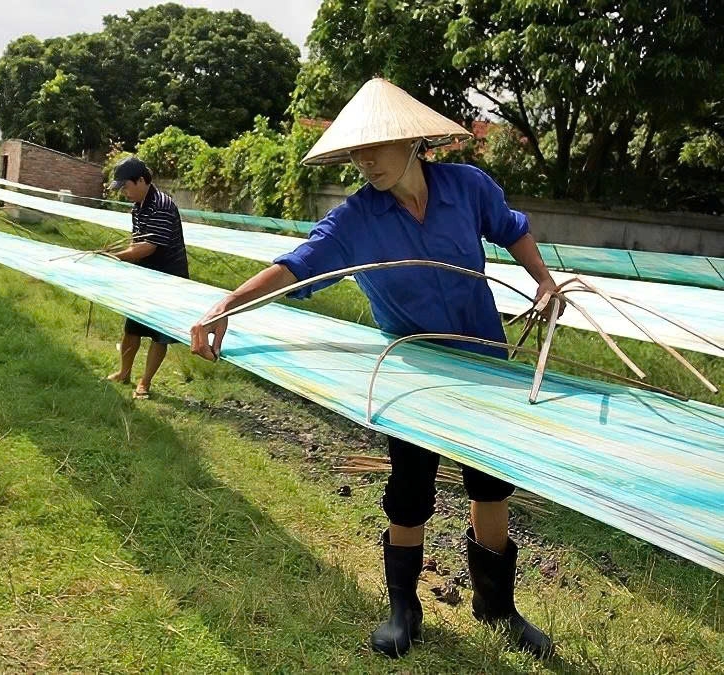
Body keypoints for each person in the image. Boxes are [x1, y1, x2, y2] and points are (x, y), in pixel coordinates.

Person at [189, 79, 561, 659]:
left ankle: (498, 606)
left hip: (486, 362)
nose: (366, 161)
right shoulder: (355, 221)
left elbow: (512, 228)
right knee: (409, 489)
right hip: (411, 374)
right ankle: (403, 608)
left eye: (377, 147)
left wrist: (542, 279)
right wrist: (224, 305)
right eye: (356, 152)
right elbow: (297, 266)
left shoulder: (467, 187)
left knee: (490, 482)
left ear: (413, 141)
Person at [103, 157, 189, 399]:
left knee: (158, 334)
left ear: (141, 180)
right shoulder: (137, 207)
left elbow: (149, 246)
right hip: (144, 274)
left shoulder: (162, 204)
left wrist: (117, 257)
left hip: (168, 277)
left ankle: (145, 382)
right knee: (132, 327)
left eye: (126, 186)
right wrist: (126, 260)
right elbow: (136, 242)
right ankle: (124, 372)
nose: (124, 192)